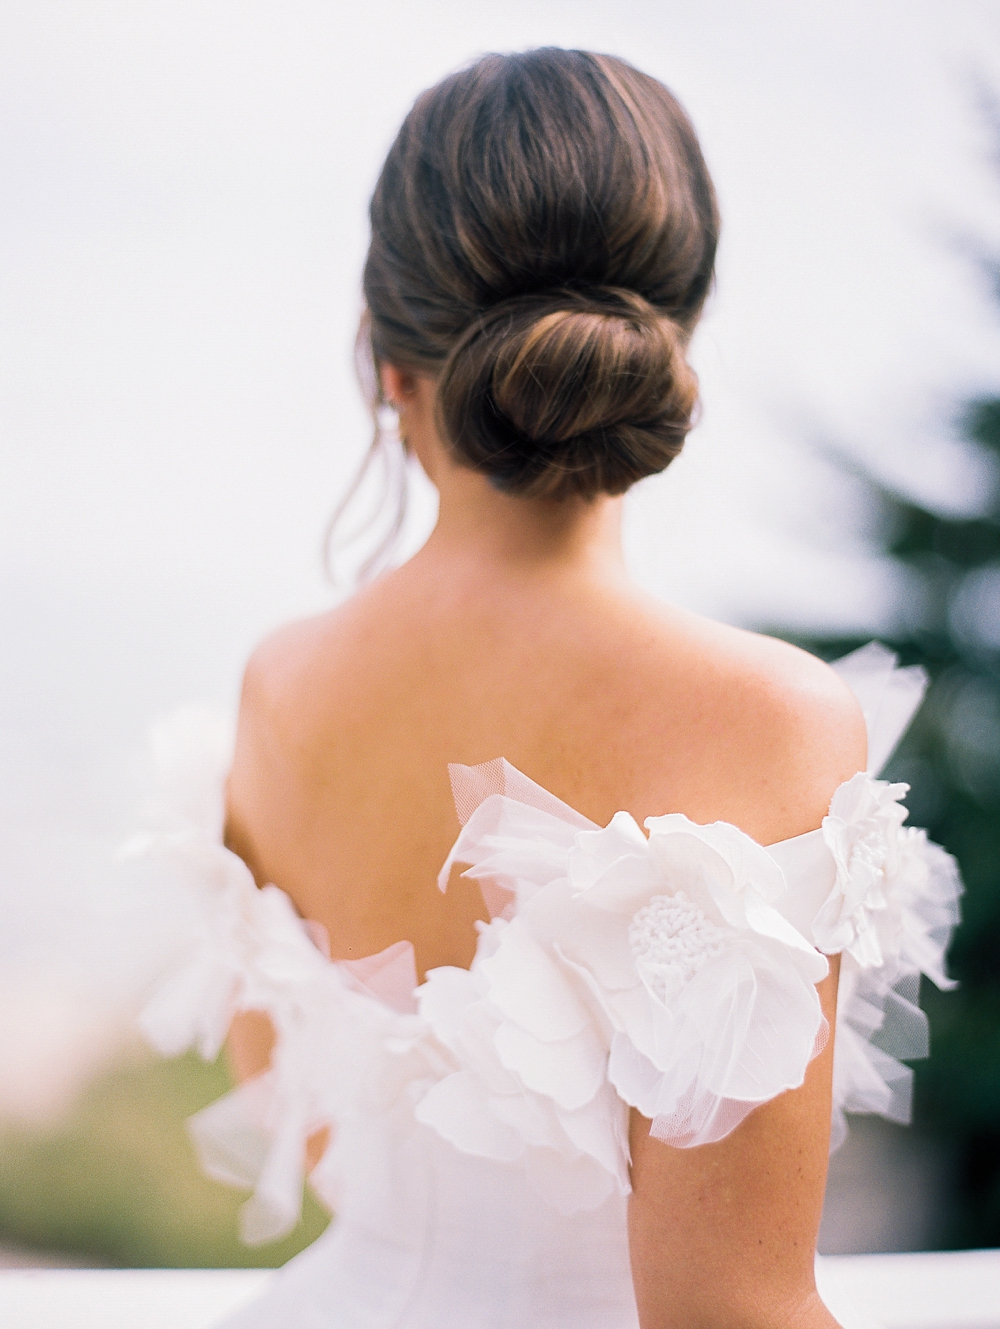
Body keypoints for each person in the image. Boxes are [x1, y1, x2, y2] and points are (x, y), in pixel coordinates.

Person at [136, 47, 961, 1328]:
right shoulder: (767, 720)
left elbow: (307, 1135)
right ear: (671, 341)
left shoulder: (278, 683)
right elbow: (727, 1306)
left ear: (383, 360)